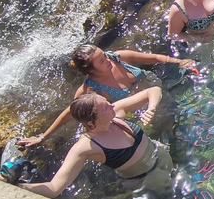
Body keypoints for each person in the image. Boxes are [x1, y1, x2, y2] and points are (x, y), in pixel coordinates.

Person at [0, 90, 171, 198]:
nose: (112, 105)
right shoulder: (86, 148)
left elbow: (154, 91)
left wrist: (151, 108)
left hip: (160, 153)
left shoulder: (116, 113)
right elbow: (54, 188)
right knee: (176, 197)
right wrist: (15, 186)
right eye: (105, 107)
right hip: (148, 178)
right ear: (91, 123)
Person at [19, 44, 194, 147]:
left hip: (156, 92)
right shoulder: (90, 89)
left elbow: (154, 58)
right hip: (141, 112)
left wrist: (180, 62)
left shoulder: (118, 58)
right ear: (91, 70)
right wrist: (43, 136)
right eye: (102, 61)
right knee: (171, 136)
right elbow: (71, 112)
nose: (108, 60)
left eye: (104, 55)